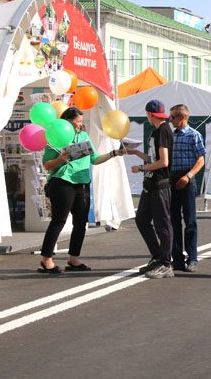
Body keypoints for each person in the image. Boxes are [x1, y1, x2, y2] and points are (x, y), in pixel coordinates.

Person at [38, 107, 124, 274]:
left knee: (80, 223)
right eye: (78, 121)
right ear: (69, 121)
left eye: (81, 121)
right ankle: (46, 259)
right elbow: (47, 165)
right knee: (59, 221)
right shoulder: (57, 134)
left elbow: (95, 159)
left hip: (82, 183)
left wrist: (114, 153)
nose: (80, 124)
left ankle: (73, 258)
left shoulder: (83, 136)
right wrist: (61, 159)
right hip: (62, 182)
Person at [128, 100, 175, 279]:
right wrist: (137, 154)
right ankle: (157, 256)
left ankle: (166, 263)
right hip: (151, 184)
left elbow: (164, 162)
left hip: (159, 184)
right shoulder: (157, 131)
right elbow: (154, 157)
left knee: (163, 224)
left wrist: (140, 168)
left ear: (149, 114)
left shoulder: (163, 130)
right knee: (141, 219)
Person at [168, 104, 205, 272]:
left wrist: (188, 176)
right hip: (172, 177)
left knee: (190, 221)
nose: (170, 120)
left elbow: (201, 160)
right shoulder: (170, 135)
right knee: (173, 220)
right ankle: (177, 258)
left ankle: (192, 258)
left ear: (182, 118)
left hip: (187, 178)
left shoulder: (194, 135)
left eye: (173, 117)